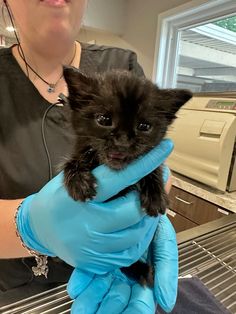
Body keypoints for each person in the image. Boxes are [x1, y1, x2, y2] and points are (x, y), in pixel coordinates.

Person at [0, 0, 178, 313]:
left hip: (117, 271)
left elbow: (154, 160)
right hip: (17, 295)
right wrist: (28, 226)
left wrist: (149, 215)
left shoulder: (124, 64)